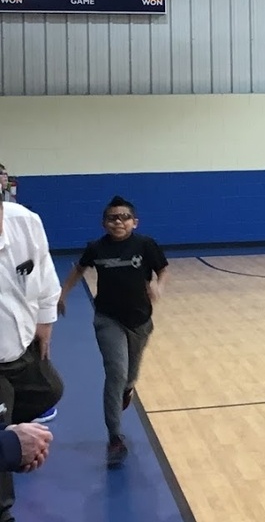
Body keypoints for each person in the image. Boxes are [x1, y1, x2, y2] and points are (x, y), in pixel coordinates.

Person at [58, 196, 168, 468]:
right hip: (108, 319)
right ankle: (115, 438)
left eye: (124, 217)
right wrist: (62, 294)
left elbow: (162, 268)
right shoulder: (97, 247)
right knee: (115, 373)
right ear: (104, 223)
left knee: (129, 376)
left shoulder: (145, 244)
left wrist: (158, 285)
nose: (118, 222)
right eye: (112, 218)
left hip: (140, 320)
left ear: (134, 222)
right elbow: (79, 268)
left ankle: (128, 388)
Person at [0, 198, 64, 521]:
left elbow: (45, 271)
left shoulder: (24, 221)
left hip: (18, 348)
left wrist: (45, 319)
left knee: (50, 388)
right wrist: (9, 446)